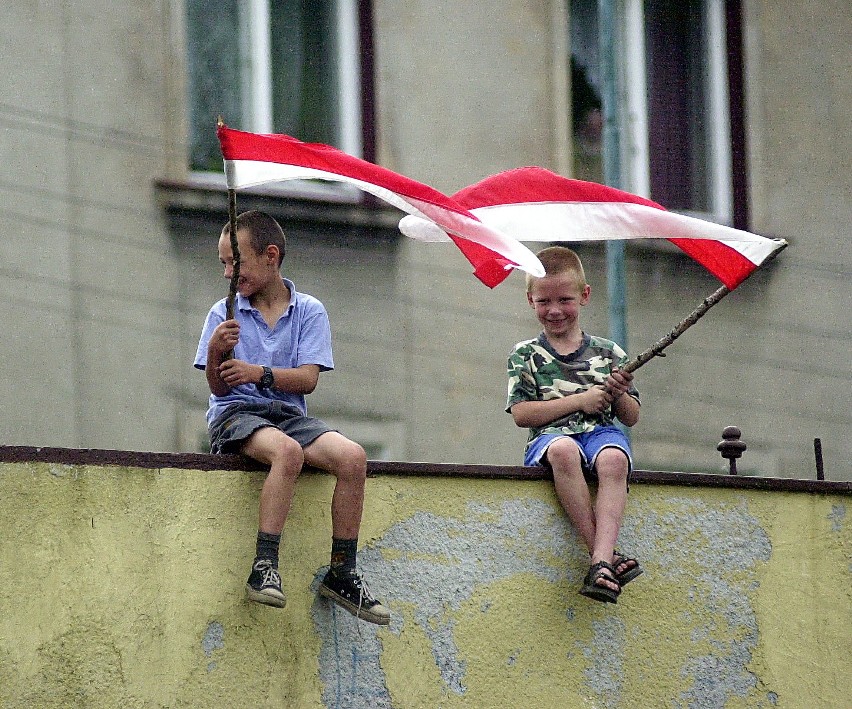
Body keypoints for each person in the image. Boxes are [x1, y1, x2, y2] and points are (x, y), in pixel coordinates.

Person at [194, 210, 390, 625]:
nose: (229, 274)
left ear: (271, 256)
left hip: (287, 414)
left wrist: (258, 373)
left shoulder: (308, 310)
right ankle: (264, 564)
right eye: (224, 265)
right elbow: (219, 389)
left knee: (353, 457)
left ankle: (342, 571)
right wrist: (215, 352)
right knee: (287, 453)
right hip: (237, 415)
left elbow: (306, 380)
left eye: (237, 263)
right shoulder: (223, 312)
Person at [506, 246, 643, 604]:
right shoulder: (525, 355)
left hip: (601, 433)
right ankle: (602, 556)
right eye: (543, 301)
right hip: (550, 439)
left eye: (564, 299)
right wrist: (580, 401)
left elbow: (631, 416)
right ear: (529, 300)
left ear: (584, 296)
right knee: (564, 450)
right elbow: (521, 414)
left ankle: (600, 560)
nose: (554, 310)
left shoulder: (610, 352)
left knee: (614, 459)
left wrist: (618, 394)